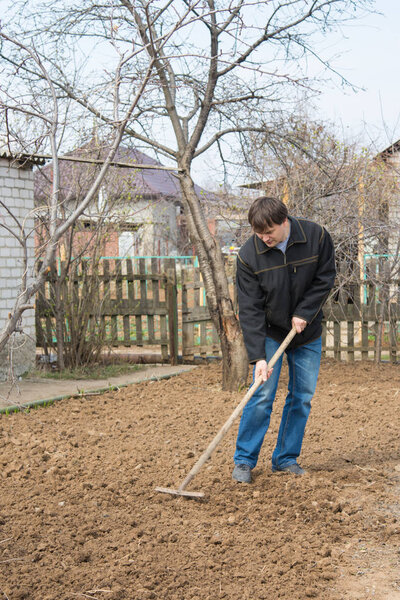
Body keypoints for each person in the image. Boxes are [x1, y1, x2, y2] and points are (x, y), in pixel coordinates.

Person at [232, 196, 336, 483]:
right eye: (259, 233)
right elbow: (249, 309)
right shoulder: (247, 256)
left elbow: (325, 277)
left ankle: (285, 459)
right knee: (261, 394)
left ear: (284, 221)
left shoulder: (316, 236)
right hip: (270, 332)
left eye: (270, 232)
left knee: (301, 397)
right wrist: (259, 357)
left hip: (307, 330)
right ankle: (244, 461)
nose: (265, 238)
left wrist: (304, 312)